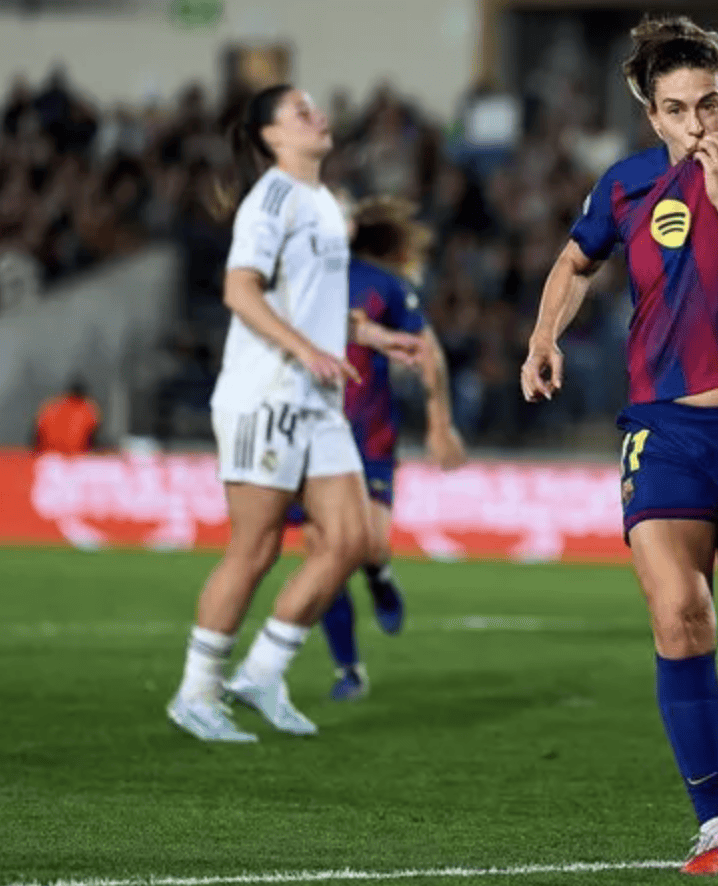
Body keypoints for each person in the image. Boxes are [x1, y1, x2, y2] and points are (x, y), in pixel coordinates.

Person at [521, 16, 718, 875]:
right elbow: (575, 263)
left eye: (709, 105)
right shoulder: (624, 186)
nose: (696, 124)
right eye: (677, 110)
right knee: (681, 614)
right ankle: (716, 824)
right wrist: (543, 337)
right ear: (653, 117)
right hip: (666, 431)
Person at [166, 84, 423, 743]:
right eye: (301, 112)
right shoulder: (272, 199)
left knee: (351, 541)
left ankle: (262, 672)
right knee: (255, 548)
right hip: (267, 394)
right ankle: (196, 692)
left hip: (319, 401)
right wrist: (307, 350)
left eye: (316, 107)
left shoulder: (324, 203)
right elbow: (239, 289)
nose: (319, 117)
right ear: (272, 136)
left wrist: (369, 336)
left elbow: (309, 300)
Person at [294, 196, 467, 701]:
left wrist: (439, 424)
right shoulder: (295, 282)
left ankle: (379, 573)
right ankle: (348, 669)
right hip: (308, 436)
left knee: (368, 543)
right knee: (324, 553)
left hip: (367, 435)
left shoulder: (384, 285)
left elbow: (427, 352)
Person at [33, 377, 99, 454]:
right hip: (76, 455)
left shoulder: (50, 406)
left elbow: (36, 434)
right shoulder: (88, 409)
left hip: (46, 455)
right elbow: (92, 438)